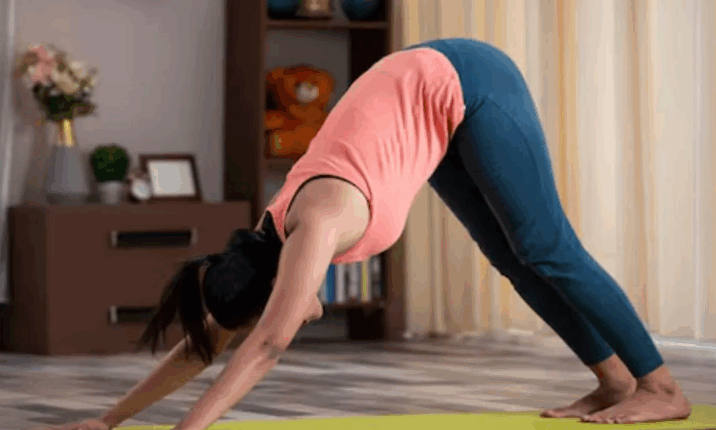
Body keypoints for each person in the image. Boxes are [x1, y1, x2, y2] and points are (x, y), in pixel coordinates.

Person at [37, 38, 690, 430]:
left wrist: (190, 429)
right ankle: (613, 381)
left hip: (467, 77)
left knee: (546, 247)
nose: (291, 313)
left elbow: (268, 342)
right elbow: (209, 341)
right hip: (421, 102)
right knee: (512, 258)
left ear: (278, 285)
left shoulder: (315, 223)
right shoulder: (263, 245)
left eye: (276, 306)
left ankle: (660, 387)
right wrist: (109, 420)